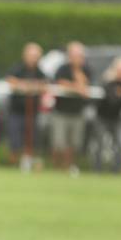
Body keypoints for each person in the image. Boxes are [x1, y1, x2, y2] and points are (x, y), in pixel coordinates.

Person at [5, 42, 47, 169]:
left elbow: (45, 83)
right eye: (31, 55)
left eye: (36, 56)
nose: (34, 59)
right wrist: (24, 85)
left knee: (31, 139)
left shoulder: (40, 71)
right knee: (14, 139)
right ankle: (12, 163)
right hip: (16, 111)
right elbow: (10, 80)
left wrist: (34, 86)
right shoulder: (18, 68)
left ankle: (27, 163)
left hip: (33, 112)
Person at [51, 41, 92, 173]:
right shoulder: (62, 68)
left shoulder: (86, 69)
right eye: (75, 55)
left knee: (75, 143)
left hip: (78, 112)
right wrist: (76, 88)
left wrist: (77, 72)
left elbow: (85, 86)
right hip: (61, 111)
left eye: (80, 55)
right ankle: (57, 166)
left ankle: (70, 166)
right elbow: (60, 83)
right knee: (59, 142)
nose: (78, 58)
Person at [92, 56, 121, 172]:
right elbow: (111, 100)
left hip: (117, 118)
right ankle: (97, 169)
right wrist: (120, 96)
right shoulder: (108, 82)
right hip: (102, 116)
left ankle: (116, 170)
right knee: (99, 144)